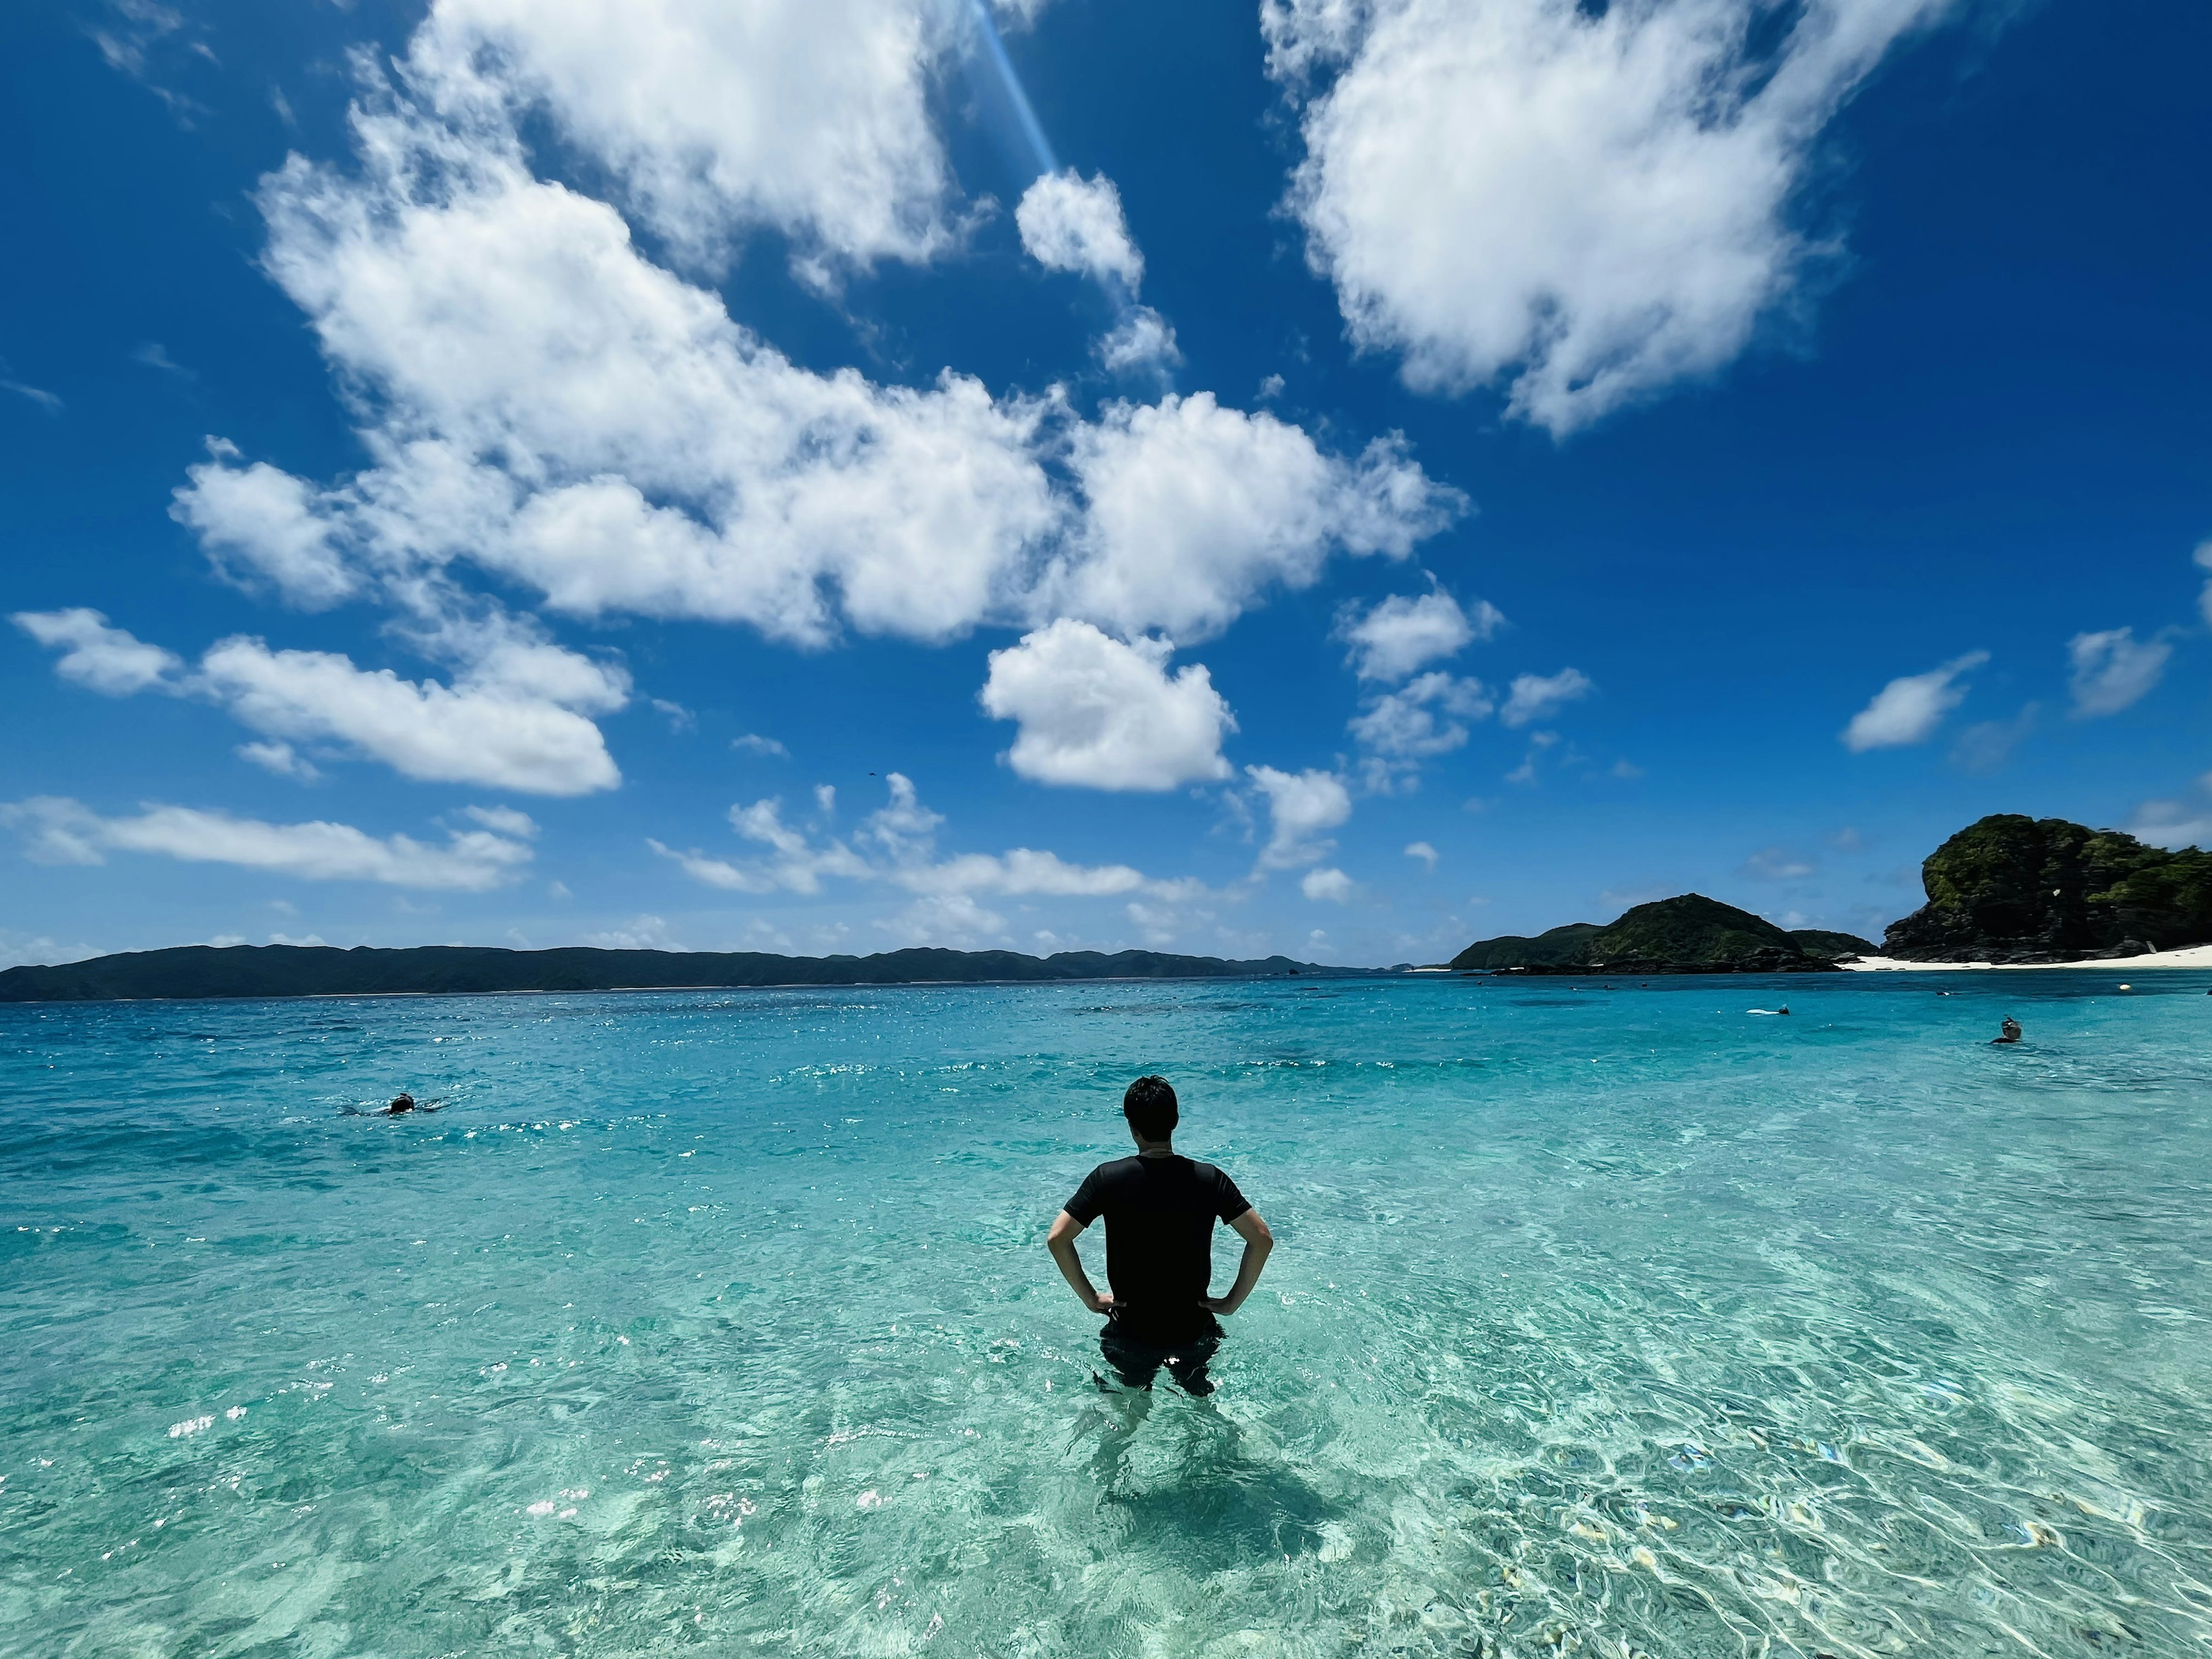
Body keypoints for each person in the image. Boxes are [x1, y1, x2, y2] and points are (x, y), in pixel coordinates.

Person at [1046, 1075, 1273, 1397]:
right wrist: (1232, 1301)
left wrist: (1090, 1297)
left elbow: (1058, 1238)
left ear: (1132, 1128)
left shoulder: (1107, 1178)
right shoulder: (1209, 1179)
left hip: (1130, 1329)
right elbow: (1262, 1238)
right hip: (1192, 1329)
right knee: (1200, 1410)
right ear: (1175, 1122)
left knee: (1128, 1413)